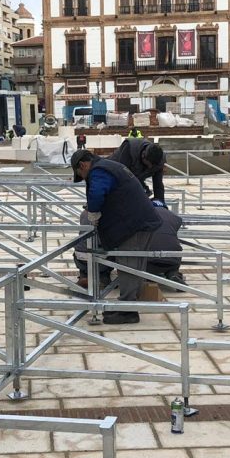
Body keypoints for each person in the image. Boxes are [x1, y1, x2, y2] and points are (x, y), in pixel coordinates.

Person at [72, 149, 162, 325]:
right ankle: (128, 306)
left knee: (128, 266)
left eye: (81, 174)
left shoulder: (99, 171)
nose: (83, 178)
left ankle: (127, 311)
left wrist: (93, 213)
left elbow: (97, 194)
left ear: (83, 165)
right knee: (134, 267)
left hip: (132, 226)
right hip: (141, 223)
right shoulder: (111, 166)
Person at [74, 203, 184, 289]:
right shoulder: (173, 217)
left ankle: (87, 275)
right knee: (116, 251)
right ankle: (173, 274)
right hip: (170, 260)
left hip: (82, 259)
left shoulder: (84, 214)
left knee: (86, 250)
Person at [108, 137, 167, 205]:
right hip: (112, 173)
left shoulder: (158, 161)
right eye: (148, 164)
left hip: (135, 176)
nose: (150, 167)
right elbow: (123, 178)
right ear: (143, 155)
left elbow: (158, 184)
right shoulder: (130, 148)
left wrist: (160, 202)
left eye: (152, 166)